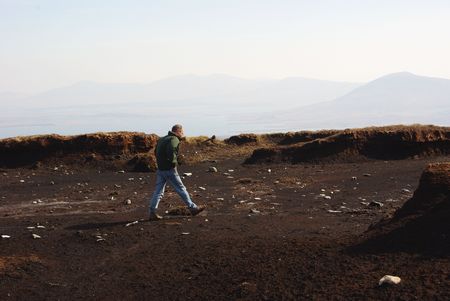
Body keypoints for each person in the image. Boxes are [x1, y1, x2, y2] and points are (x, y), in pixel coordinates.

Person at [149, 124, 205, 220]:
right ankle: (193, 208)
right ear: (178, 131)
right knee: (181, 188)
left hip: (161, 169)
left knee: (158, 191)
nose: (183, 134)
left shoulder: (163, 139)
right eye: (182, 132)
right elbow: (172, 150)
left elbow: (155, 152)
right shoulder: (174, 139)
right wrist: (173, 163)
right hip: (169, 169)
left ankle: (152, 212)